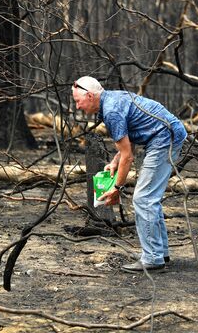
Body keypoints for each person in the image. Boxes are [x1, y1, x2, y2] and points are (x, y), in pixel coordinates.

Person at [72, 76, 187, 273]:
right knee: (149, 198)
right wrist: (115, 161)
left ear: (90, 96)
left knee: (143, 198)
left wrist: (117, 188)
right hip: (165, 134)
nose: (77, 107)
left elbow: (128, 157)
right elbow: (130, 136)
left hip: (165, 138)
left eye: (78, 101)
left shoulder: (111, 111)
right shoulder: (112, 100)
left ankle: (152, 258)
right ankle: (160, 253)